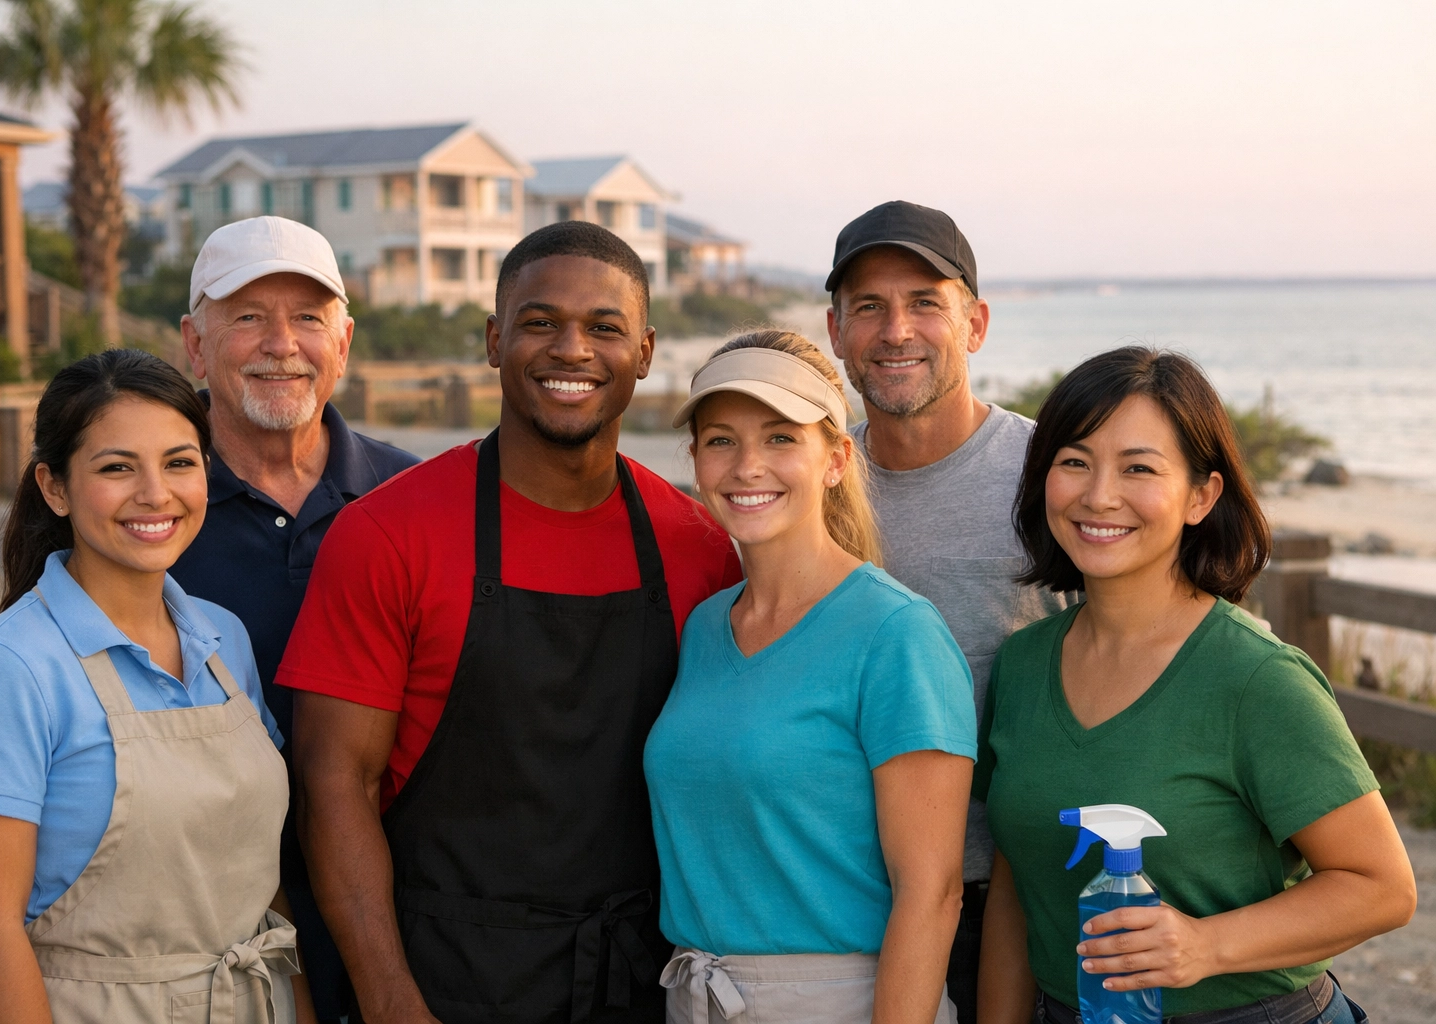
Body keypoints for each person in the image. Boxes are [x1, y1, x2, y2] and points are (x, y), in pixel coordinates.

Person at [277, 220, 743, 1024]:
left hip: (642, 981)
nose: (573, 349)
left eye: (605, 327)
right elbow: (333, 785)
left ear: (647, 351)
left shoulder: (701, 547)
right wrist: (391, 1003)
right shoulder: (389, 534)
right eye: (540, 322)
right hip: (444, 981)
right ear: (495, 339)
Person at [975, 347, 1417, 1024]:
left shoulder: (1257, 679)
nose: (1099, 495)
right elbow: (1018, 884)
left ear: (1202, 496)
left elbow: (1383, 888)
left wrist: (1205, 945)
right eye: (1074, 461)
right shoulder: (1024, 664)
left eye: (1139, 469)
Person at [0, 349, 307, 1024]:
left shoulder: (224, 640)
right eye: (116, 468)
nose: (155, 494)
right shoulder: (10, 668)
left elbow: (263, 884)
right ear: (55, 487)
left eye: (179, 463)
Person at [644, 331, 978, 1024]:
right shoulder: (706, 628)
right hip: (698, 997)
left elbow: (934, 892)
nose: (747, 467)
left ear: (835, 459)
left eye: (779, 439)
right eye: (721, 441)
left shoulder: (896, 634)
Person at [824, 200, 1068, 1023]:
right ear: (835, 331)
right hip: (846, 894)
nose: (896, 330)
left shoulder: (1053, 478)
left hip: (1016, 896)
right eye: (869, 306)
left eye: (925, 301)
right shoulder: (806, 481)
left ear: (975, 323)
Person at [172, 215, 419, 1022]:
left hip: (400, 917)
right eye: (247, 316)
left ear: (343, 342)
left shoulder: (411, 498)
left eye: (308, 317)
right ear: (195, 345)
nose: (281, 343)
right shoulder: (145, 511)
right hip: (204, 931)